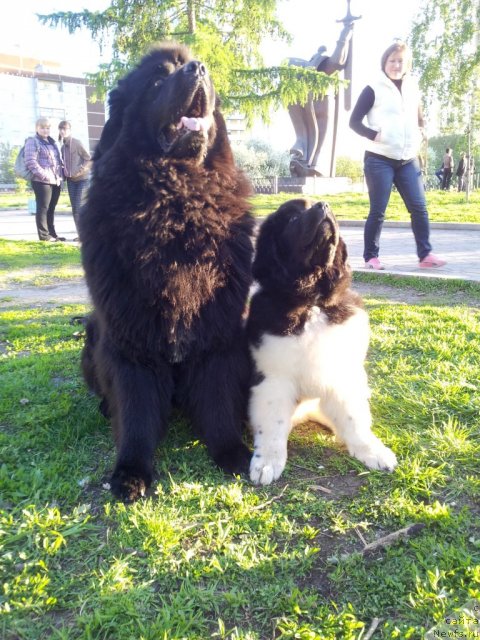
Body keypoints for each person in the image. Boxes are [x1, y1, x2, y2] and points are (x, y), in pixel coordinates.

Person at [349, 41, 446, 269]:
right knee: (378, 210)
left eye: (400, 60)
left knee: (419, 207)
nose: (396, 64)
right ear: (384, 62)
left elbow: (419, 116)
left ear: (407, 64)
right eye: (392, 60)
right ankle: (370, 257)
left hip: (408, 159)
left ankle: (425, 255)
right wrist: (373, 135)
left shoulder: (412, 88)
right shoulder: (373, 87)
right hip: (379, 158)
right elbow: (353, 122)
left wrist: (421, 131)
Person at [287, 21, 354, 177]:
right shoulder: (301, 85)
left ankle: (315, 163)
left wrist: (344, 36)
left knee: (319, 139)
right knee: (309, 134)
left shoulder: (324, 65)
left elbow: (337, 61)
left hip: (323, 100)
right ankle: (304, 158)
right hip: (309, 100)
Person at [24, 117, 65, 242]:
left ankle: (52, 234)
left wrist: (60, 177)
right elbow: (30, 162)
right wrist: (44, 176)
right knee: (43, 208)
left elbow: (57, 162)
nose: (45, 130)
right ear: (37, 128)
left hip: (55, 180)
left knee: (51, 208)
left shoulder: (52, 142)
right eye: (42, 127)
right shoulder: (33, 141)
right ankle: (44, 236)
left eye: (47, 128)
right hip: (42, 181)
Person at [58, 121, 91, 241]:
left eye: (65, 129)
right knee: (74, 209)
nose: (63, 131)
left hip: (82, 180)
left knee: (79, 208)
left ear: (70, 130)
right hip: (71, 181)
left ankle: (86, 234)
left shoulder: (77, 143)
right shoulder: (62, 147)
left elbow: (88, 159)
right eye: (61, 129)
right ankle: (81, 234)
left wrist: (80, 170)